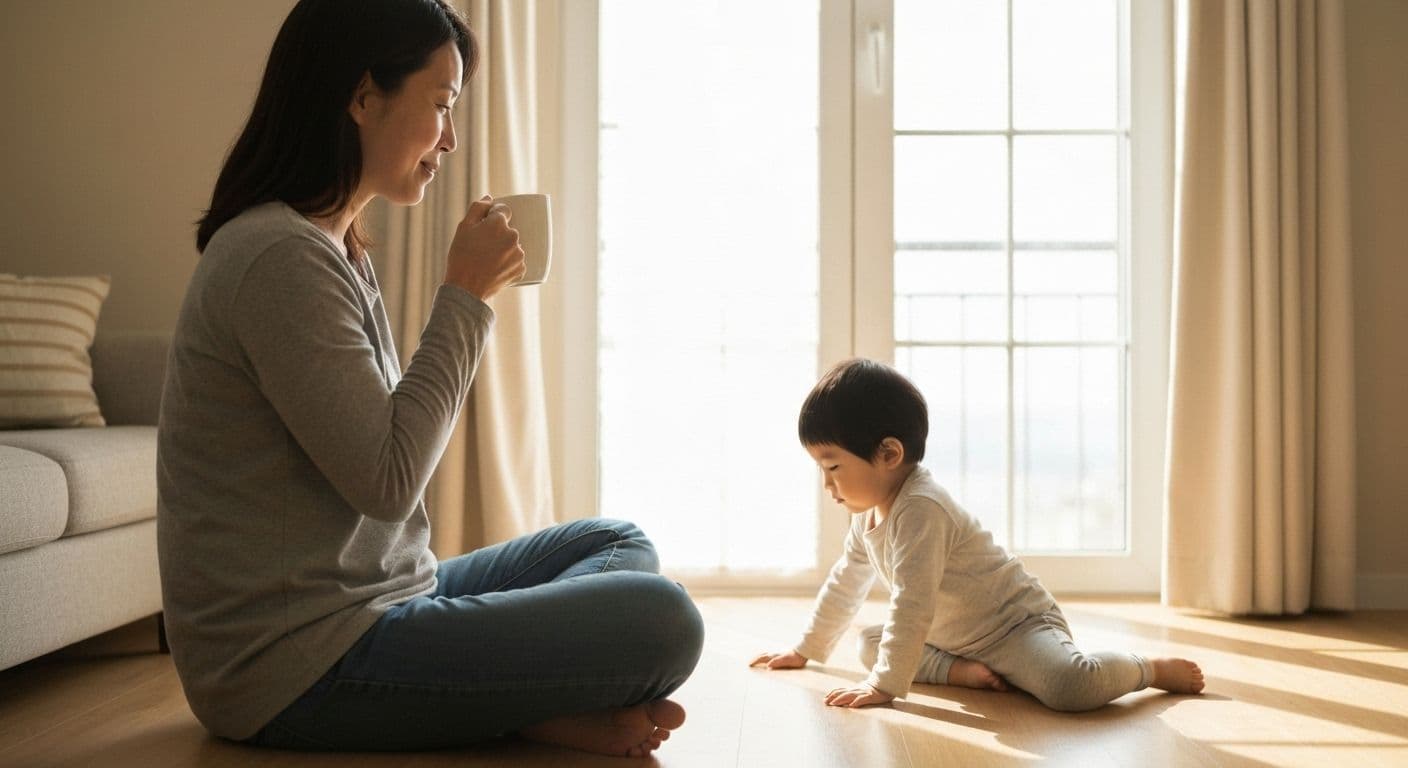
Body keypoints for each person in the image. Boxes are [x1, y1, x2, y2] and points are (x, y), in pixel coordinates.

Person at [157, 0, 701, 757]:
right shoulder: (277, 257)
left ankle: (512, 701)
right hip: (293, 665)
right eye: (441, 104)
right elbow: (387, 480)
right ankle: (517, 701)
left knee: (616, 541)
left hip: (385, 598)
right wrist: (467, 298)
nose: (449, 138)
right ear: (361, 96)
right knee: (661, 622)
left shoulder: (334, 246)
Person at [749, 358, 1203, 711]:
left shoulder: (921, 509)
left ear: (888, 454)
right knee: (869, 643)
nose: (827, 484)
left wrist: (884, 686)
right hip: (951, 637)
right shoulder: (867, 515)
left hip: (1015, 628)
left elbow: (913, 601)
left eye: (832, 467)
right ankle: (961, 672)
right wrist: (805, 649)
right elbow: (846, 582)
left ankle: (1149, 669)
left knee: (1070, 686)